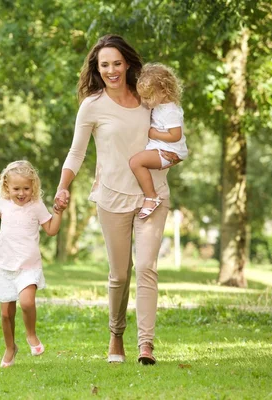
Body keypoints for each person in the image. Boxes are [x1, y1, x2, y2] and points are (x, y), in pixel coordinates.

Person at [54, 34, 181, 365]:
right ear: (97, 68)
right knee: (119, 274)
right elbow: (76, 151)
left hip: (152, 196)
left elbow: (172, 126)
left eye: (117, 63)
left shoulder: (147, 98)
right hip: (112, 197)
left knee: (148, 267)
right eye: (104, 64)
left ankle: (146, 345)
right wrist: (63, 186)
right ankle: (116, 335)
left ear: (127, 64)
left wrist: (176, 151)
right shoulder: (93, 105)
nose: (111, 70)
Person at [0, 160, 63, 368]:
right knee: (6, 314)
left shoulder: (36, 206)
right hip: (5, 268)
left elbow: (51, 229)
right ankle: (10, 347)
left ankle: (31, 334)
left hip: (28, 267)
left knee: (27, 303)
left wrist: (58, 212)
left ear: (33, 187)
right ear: (6, 187)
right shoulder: (4, 204)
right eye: (16, 189)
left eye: (26, 188)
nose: (21, 193)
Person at [129, 63, 188, 219]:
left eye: (148, 97)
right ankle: (151, 196)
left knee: (136, 163)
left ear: (163, 91)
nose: (144, 101)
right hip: (161, 146)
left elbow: (176, 135)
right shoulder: (159, 104)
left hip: (169, 149)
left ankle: (151, 197)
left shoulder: (170, 111)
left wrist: (154, 134)